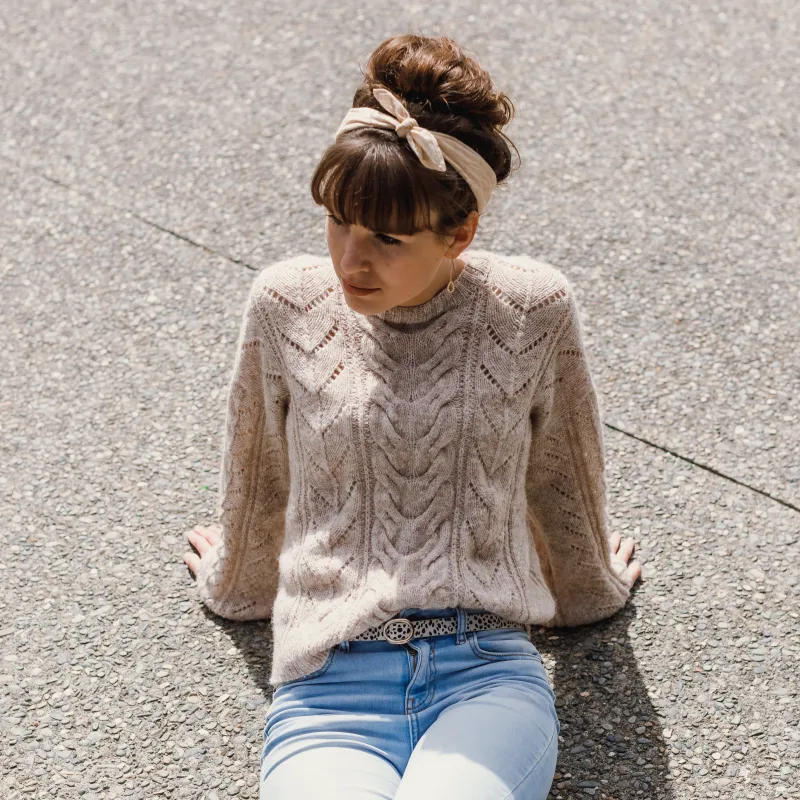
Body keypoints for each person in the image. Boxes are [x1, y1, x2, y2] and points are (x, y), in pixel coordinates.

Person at [183, 33, 641, 800]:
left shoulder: (532, 308)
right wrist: (235, 580)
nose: (349, 260)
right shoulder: (284, 302)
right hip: (328, 687)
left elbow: (561, 466)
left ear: (459, 234)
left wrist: (590, 587)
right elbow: (261, 471)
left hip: (485, 674)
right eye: (337, 221)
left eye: (387, 240)